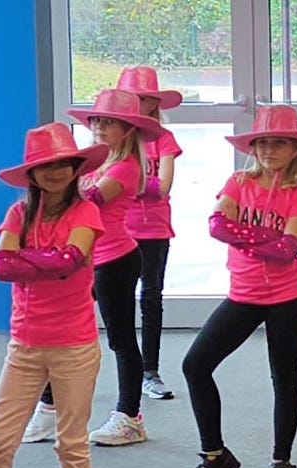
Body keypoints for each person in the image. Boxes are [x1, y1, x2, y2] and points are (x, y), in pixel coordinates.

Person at [179, 105, 297, 468]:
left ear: (295, 149)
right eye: (262, 143)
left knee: (284, 379)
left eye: (279, 143)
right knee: (195, 365)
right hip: (243, 296)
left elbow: (289, 248)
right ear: (252, 147)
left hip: (287, 298)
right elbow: (216, 225)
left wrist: (243, 234)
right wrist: (266, 239)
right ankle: (214, 456)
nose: (269, 150)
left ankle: (281, 462)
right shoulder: (238, 182)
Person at [0, 123, 108, 468]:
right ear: (31, 174)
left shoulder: (86, 211)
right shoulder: (18, 213)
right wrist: (49, 261)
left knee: (72, 443)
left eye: (63, 164)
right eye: (46, 165)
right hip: (25, 346)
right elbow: (1, 266)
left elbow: (70, 260)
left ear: (76, 168)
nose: (56, 172)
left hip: (74, 347)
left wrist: (26, 259)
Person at [65, 89, 164, 446]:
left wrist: (54, 183)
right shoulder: (93, 164)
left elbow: (87, 200)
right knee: (62, 330)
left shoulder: (126, 167)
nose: (99, 128)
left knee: (121, 339)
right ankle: (49, 408)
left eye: (109, 123)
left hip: (114, 261)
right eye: (96, 121)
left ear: (128, 130)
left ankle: (130, 418)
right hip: (87, 260)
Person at [119, 66, 185, 401]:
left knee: (150, 298)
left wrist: (125, 182)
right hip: (116, 232)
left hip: (155, 230)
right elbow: (96, 184)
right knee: (110, 301)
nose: (137, 104)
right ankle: (118, 371)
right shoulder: (114, 140)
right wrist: (138, 184)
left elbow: (163, 187)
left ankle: (150, 372)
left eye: (144, 99)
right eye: (131, 98)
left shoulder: (164, 139)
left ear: (154, 104)